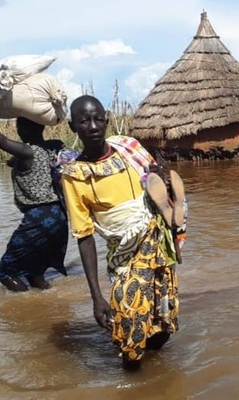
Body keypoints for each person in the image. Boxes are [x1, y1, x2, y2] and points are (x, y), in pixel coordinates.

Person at [59, 95, 186, 368]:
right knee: (130, 327)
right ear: (73, 127)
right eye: (83, 121)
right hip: (125, 257)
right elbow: (84, 235)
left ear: (106, 120)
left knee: (163, 325)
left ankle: (156, 381)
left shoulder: (130, 149)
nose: (92, 126)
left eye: (97, 119)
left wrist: (161, 179)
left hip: (157, 246)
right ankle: (132, 374)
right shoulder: (75, 175)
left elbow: (160, 186)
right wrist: (96, 296)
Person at [0, 69, 69, 292]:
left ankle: (25, 308)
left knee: (4, 272)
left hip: (38, 217)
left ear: (22, 127)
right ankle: (46, 303)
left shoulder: (26, 152)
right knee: (35, 273)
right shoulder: (53, 147)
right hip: (59, 216)